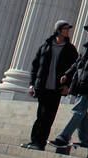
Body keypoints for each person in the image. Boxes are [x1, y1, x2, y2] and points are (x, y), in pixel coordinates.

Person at [49, 20, 88, 150]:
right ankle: (87, 141)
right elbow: (78, 63)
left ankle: (63, 138)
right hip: (81, 82)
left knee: (78, 111)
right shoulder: (87, 47)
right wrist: (67, 75)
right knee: (82, 112)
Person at [21, 21, 77, 150]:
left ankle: (40, 143)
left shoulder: (70, 49)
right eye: (65, 28)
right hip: (42, 87)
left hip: (56, 89)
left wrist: (67, 85)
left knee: (48, 117)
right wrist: (32, 84)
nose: (67, 31)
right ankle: (34, 141)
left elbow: (73, 69)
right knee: (40, 115)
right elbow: (35, 67)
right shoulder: (45, 46)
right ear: (58, 30)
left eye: (68, 29)